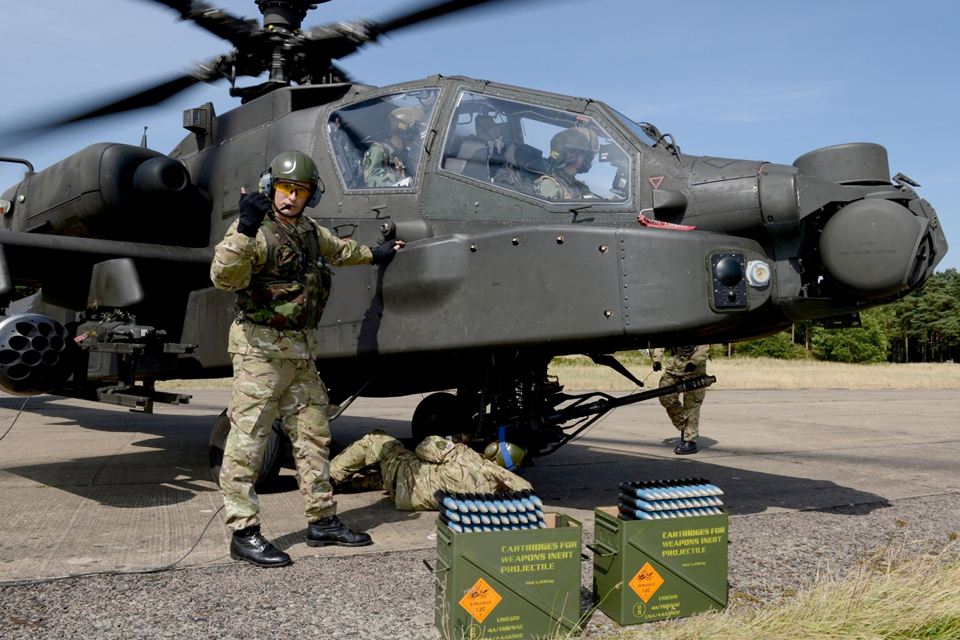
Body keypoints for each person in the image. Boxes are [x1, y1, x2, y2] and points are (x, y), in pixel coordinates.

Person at [210, 150, 403, 568]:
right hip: (260, 353)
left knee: (314, 438)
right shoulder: (257, 231)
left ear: (310, 196)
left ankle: (322, 521)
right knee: (247, 442)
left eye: (300, 191)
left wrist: (378, 253)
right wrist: (243, 227)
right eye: (284, 188)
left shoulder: (310, 232)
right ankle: (243, 533)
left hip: (300, 353)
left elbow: (342, 251)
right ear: (270, 187)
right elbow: (224, 277)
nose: (290, 198)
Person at [329, 431, 532, 510]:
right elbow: (527, 491)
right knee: (428, 475)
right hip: (408, 498)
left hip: (401, 477)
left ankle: (328, 477)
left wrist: (459, 439)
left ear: (495, 450)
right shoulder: (498, 488)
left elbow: (424, 447)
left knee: (376, 441)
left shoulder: (463, 455)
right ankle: (351, 483)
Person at [652, 345, 711, 455]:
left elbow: (705, 345)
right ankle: (686, 428)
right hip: (674, 366)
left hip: (694, 369)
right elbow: (662, 340)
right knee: (666, 398)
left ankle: (690, 441)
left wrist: (694, 362)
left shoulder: (697, 327)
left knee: (692, 404)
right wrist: (656, 359)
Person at [362, 106, 426, 188]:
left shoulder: (406, 156)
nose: (414, 136)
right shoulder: (378, 150)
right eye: (413, 132)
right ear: (403, 130)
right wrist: (398, 187)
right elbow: (373, 179)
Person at [534, 127, 600, 200]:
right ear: (560, 154)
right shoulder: (550, 184)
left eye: (583, 158)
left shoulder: (581, 187)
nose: (579, 162)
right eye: (575, 156)